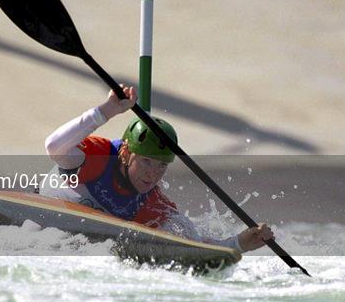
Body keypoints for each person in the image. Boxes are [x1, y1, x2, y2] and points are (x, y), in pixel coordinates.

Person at [44, 85, 274, 253]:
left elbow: (194, 245)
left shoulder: (151, 204)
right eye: (146, 161)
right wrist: (107, 110)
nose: (153, 174)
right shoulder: (100, 157)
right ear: (125, 153)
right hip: (42, 206)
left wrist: (238, 244)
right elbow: (54, 147)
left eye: (161, 166)